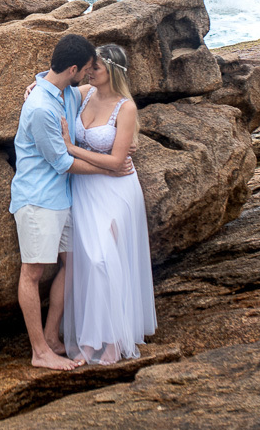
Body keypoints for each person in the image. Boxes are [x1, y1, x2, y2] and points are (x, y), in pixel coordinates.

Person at [10, 33, 133, 371]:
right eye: (87, 70)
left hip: (63, 196)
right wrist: (108, 169)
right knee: (32, 273)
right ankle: (39, 352)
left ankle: (51, 335)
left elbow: (109, 97)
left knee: (74, 262)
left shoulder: (63, 91)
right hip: (38, 199)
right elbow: (62, 162)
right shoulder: (40, 109)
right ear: (74, 68)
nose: (90, 76)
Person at [59, 43, 157, 364]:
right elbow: (54, 87)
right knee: (88, 263)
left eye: (96, 66)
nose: (89, 70)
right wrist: (35, 84)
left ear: (111, 70)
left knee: (105, 259)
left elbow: (117, 161)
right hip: (85, 188)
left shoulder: (125, 107)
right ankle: (89, 341)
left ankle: (115, 339)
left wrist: (70, 148)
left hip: (115, 190)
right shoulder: (84, 92)